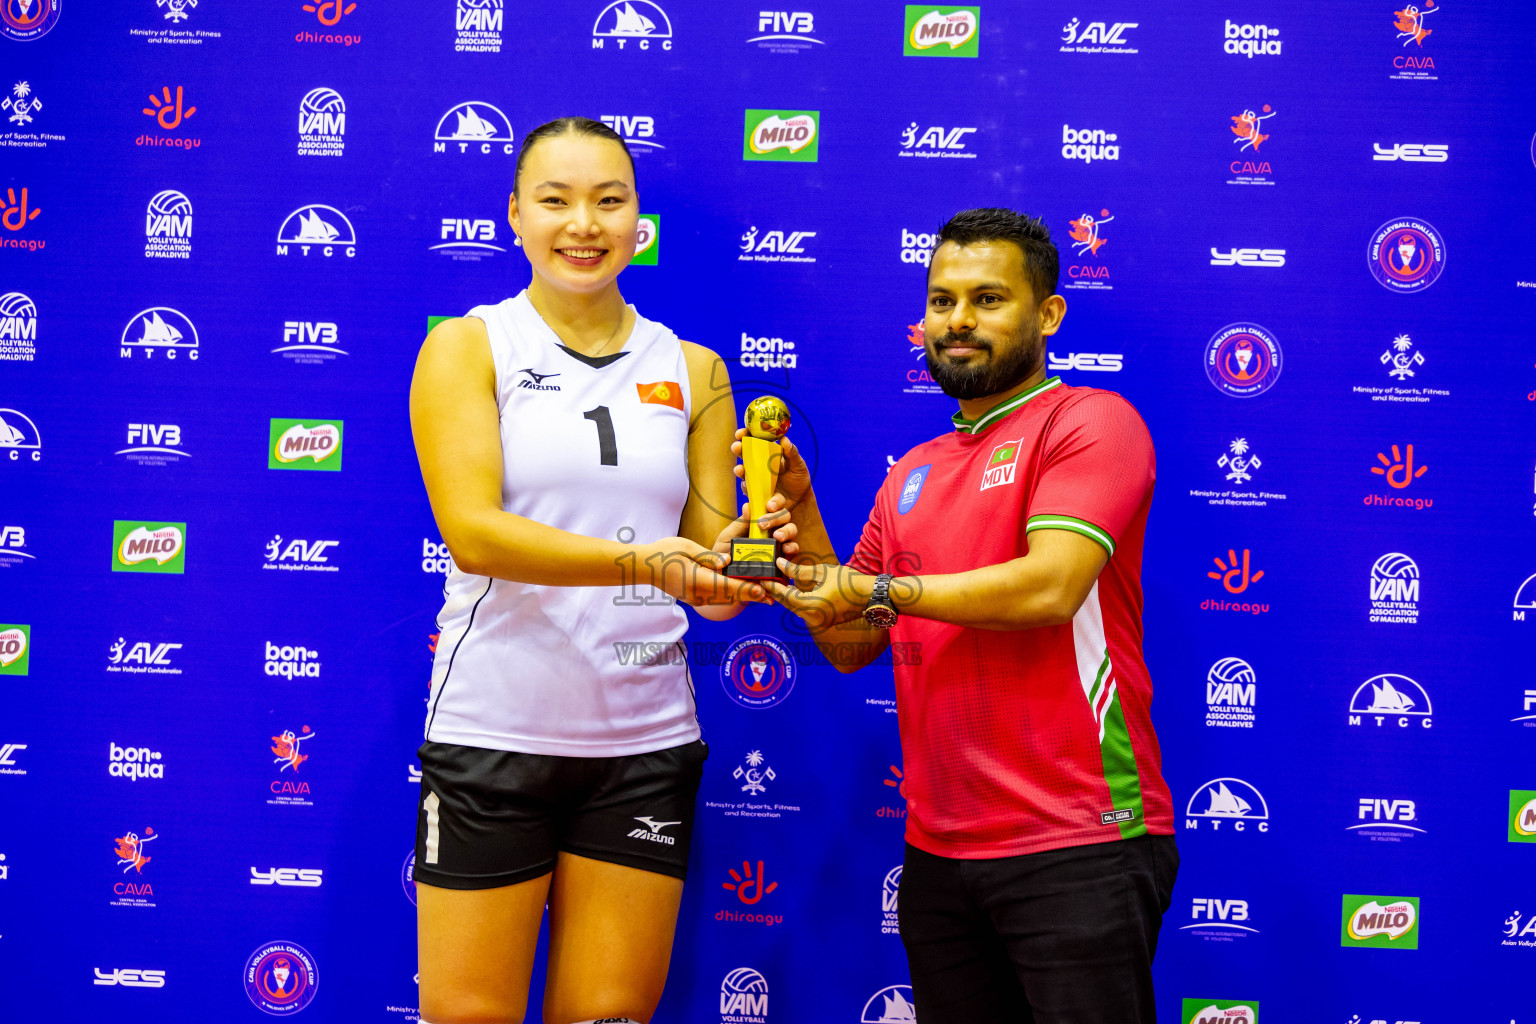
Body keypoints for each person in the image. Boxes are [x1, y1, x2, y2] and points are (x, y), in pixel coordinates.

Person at [751, 208, 1178, 1023]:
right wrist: (802, 517)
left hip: (1079, 840)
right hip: (939, 855)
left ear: (1047, 315)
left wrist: (874, 590)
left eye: (988, 300)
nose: (958, 322)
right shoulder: (912, 470)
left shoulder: (1090, 423)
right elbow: (849, 642)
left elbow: (1048, 587)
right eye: (942, 301)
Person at [408, 116, 784, 1024]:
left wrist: (746, 552)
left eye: (609, 201)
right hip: (497, 729)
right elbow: (475, 534)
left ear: (637, 220)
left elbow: (708, 573)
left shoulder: (694, 369)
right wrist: (643, 562)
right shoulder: (468, 346)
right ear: (514, 216)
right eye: (556, 199)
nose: (584, 223)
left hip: (643, 745)